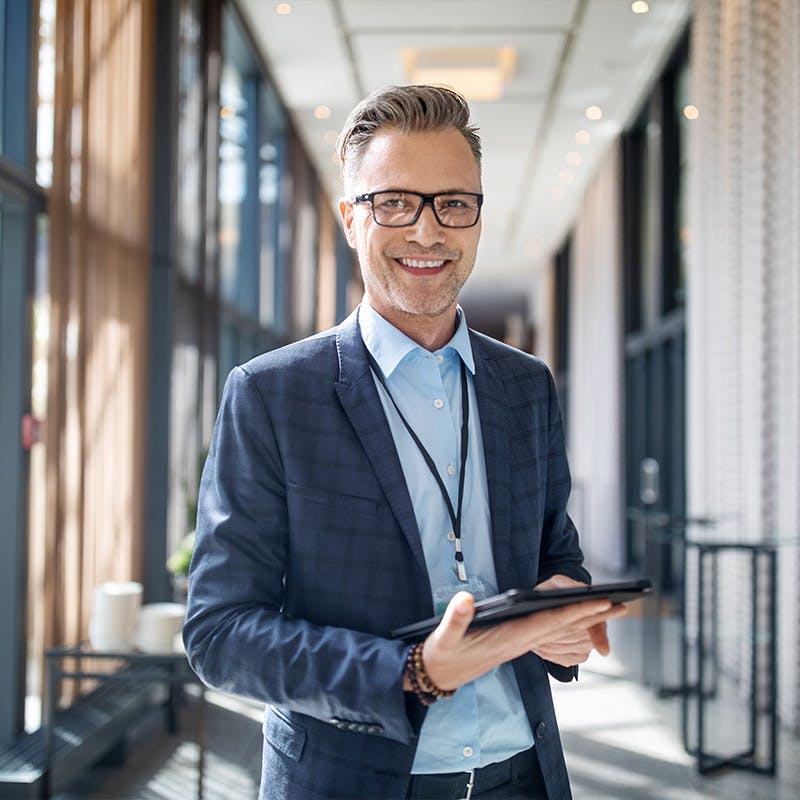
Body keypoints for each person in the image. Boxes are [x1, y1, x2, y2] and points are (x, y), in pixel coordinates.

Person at [184, 84, 626, 800]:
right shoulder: (272, 394)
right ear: (350, 220)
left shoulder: (525, 387)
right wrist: (413, 670)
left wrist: (562, 612)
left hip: (524, 776)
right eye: (394, 202)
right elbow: (221, 633)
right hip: (352, 781)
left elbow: (555, 554)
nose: (427, 231)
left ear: (478, 217)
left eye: (454, 202)